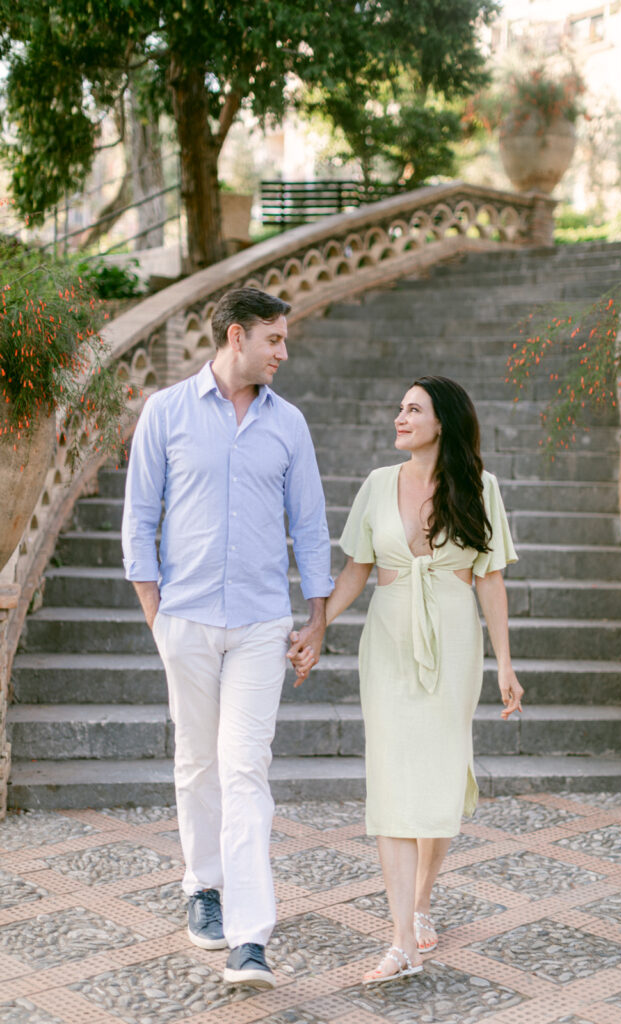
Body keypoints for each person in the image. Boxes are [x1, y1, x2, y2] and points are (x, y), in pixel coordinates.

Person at [121, 287, 332, 989]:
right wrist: (157, 615)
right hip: (183, 617)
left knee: (245, 768)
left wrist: (318, 616)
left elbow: (308, 521)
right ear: (235, 336)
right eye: (274, 339)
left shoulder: (289, 424)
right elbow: (138, 518)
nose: (283, 351)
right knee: (197, 763)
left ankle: (249, 936)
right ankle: (202, 887)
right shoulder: (166, 412)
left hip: (259, 622)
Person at [294, 375, 523, 986]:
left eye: (413, 409)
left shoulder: (481, 488)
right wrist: (318, 624)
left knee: (440, 777)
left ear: (441, 422)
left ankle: (422, 899)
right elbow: (356, 570)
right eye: (399, 407)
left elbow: (491, 580)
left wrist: (504, 662)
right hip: (390, 641)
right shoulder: (376, 485)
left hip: (453, 640)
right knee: (393, 784)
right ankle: (400, 942)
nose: (400, 416)